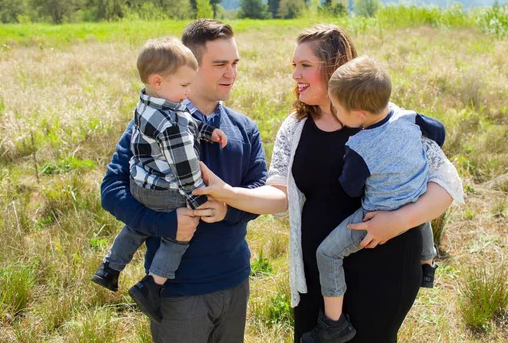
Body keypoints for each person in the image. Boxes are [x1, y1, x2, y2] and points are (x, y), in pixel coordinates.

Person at [192, 24, 464, 343]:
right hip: (317, 278)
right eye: (294, 66)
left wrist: (397, 221)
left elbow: (446, 184)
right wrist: (228, 193)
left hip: (384, 271)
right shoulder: (295, 128)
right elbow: (280, 197)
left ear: (335, 69)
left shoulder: (383, 121)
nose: (295, 75)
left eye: (305, 65)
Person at [99, 19, 268, 343]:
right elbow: (111, 190)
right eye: (219, 64)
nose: (230, 73)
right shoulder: (151, 125)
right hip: (177, 291)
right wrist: (163, 224)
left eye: (234, 63)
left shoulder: (244, 128)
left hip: (234, 281)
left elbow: (261, 188)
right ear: (187, 66)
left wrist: (229, 208)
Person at [298, 55, 445, 343]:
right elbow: (438, 132)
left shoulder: (359, 145)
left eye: (339, 109)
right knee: (421, 215)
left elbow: (351, 187)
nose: (337, 114)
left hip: (377, 215)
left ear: (359, 114)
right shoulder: (409, 117)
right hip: (415, 198)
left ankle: (333, 324)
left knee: (327, 254)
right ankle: (427, 264)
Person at [92, 37, 228, 324]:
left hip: (140, 185)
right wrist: (197, 202)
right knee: (179, 236)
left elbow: (186, 120)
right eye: (183, 86)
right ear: (158, 81)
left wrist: (206, 131)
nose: (189, 92)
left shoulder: (148, 103)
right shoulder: (171, 126)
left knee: (134, 227)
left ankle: (109, 268)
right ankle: (152, 285)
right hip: (166, 192)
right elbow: (187, 171)